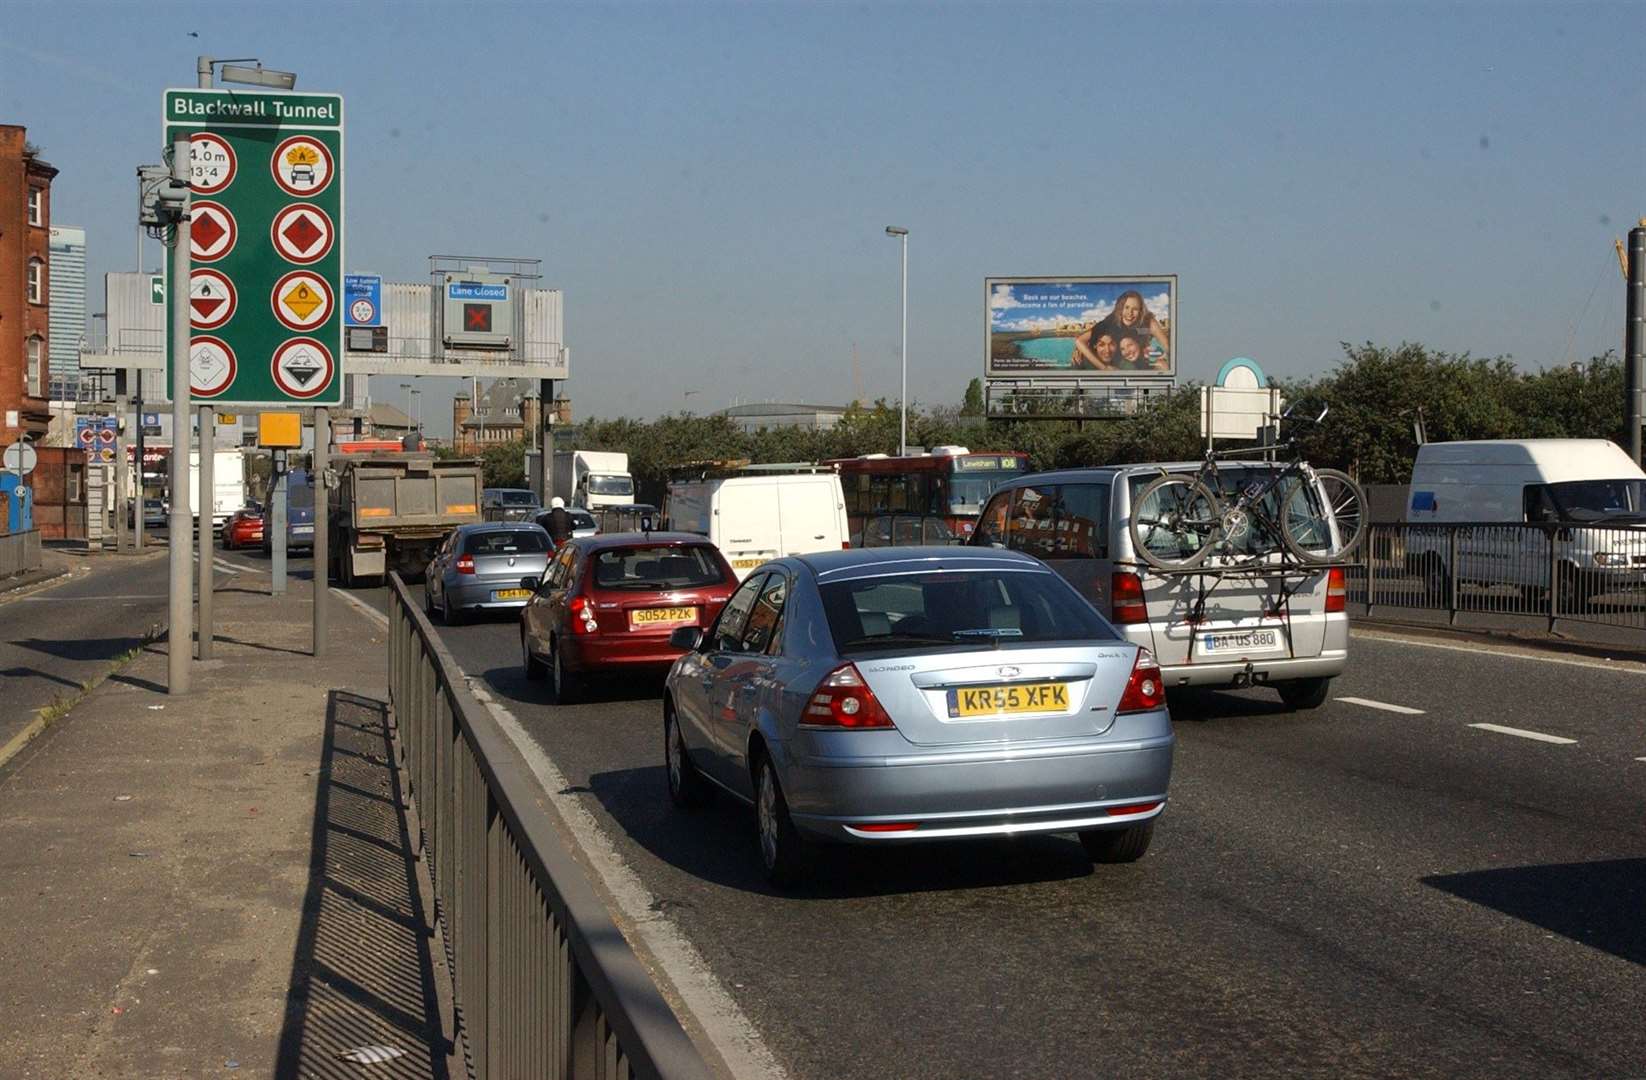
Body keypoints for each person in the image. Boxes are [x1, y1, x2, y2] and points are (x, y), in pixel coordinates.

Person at [1092, 290, 1170, 358]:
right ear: (1120, 308)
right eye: (1126, 307)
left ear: (1141, 311)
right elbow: (1081, 340)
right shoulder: (1111, 320)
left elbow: (1167, 347)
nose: (1130, 313)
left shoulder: (1147, 323)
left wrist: (1155, 355)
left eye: (1135, 309)